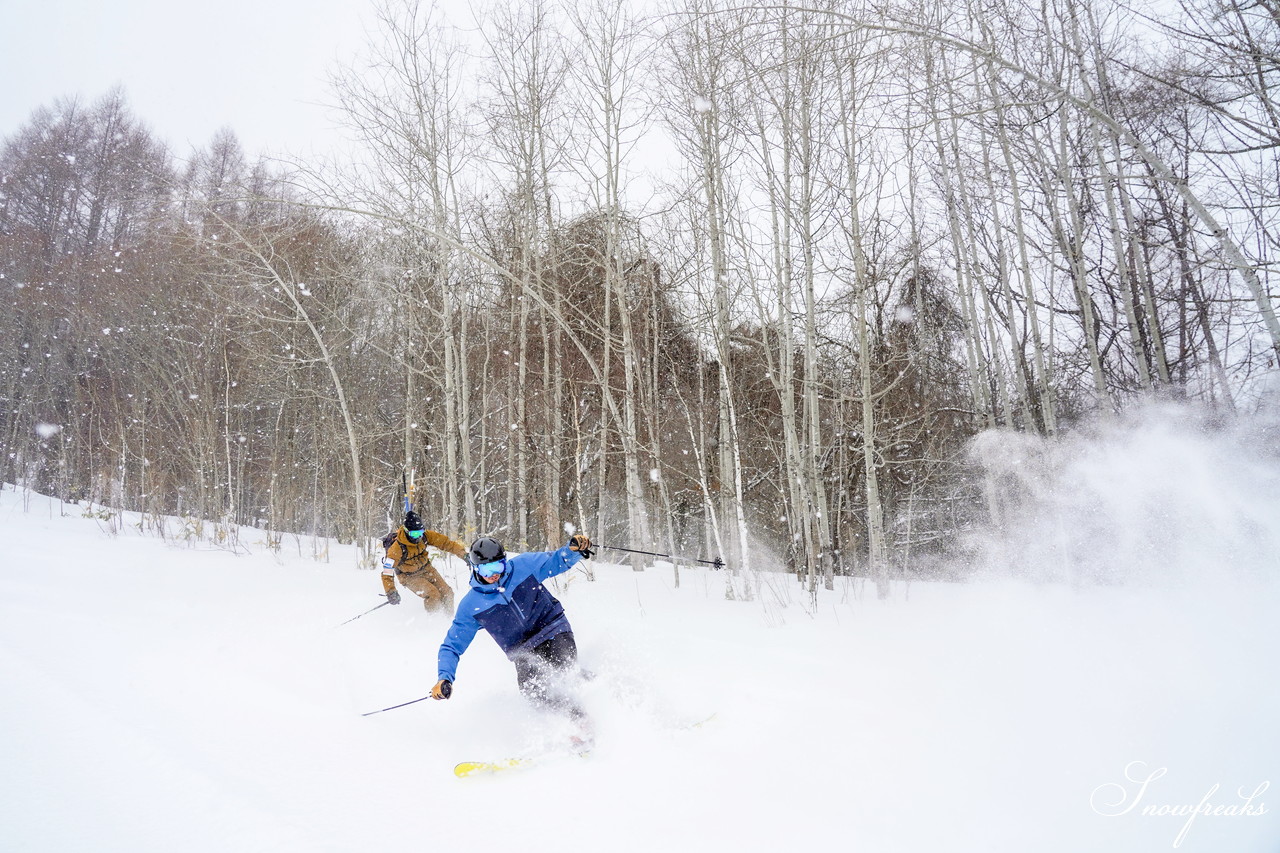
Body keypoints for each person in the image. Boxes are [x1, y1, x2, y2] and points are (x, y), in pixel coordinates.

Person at [430, 533, 594, 737]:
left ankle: (585, 722)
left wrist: (573, 551)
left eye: (498, 567)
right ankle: (565, 728)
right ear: (474, 568)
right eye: (486, 569)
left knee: (564, 671)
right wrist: (444, 677)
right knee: (534, 692)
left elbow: (557, 560)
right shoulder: (471, 606)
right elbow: (452, 646)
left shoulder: (523, 566)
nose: (494, 574)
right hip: (522, 650)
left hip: (552, 627)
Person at [381, 510, 467, 614]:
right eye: (415, 533)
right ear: (407, 531)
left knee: (447, 592)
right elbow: (387, 570)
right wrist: (391, 591)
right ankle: (433, 621)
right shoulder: (397, 548)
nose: (418, 537)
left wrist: (464, 555)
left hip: (427, 569)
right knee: (433, 594)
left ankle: (448, 620)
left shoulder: (425, 536)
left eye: (420, 532)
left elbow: (446, 543)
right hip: (409, 577)